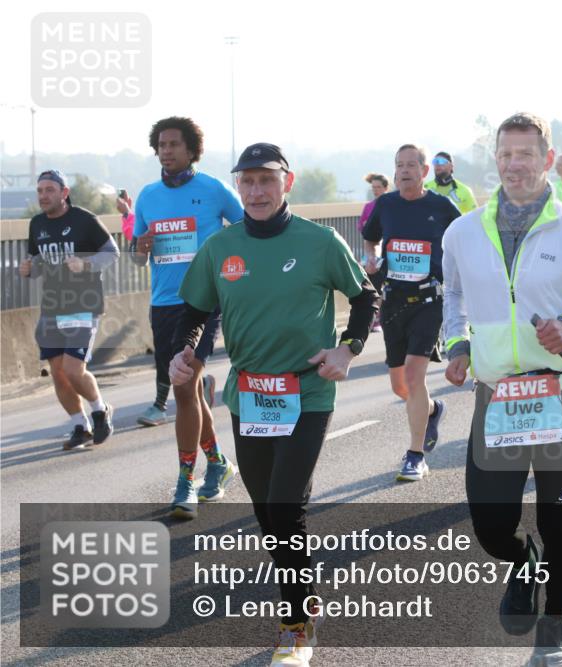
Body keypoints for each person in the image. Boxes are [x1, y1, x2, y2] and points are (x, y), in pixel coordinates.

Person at [169, 143, 377, 665]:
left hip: (307, 391)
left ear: (288, 182)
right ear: (238, 187)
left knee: (286, 504)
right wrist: (187, 352)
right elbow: (195, 310)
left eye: (267, 180)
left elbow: (366, 297)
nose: (257, 191)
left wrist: (347, 349)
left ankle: (296, 625)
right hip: (250, 395)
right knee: (267, 510)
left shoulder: (320, 241)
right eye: (248, 182)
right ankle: (305, 598)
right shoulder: (221, 246)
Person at [442, 112, 562, 666]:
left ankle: (556, 627)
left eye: (525, 154)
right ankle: (522, 562)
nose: (514, 164)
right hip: (497, 395)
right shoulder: (462, 231)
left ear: (546, 160)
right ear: (495, 160)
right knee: (492, 526)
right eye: (505, 154)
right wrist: (457, 345)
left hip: (561, 393)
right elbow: (451, 298)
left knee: (559, 522)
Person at [130, 116, 244, 519]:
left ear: (192, 149)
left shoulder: (213, 190)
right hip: (163, 303)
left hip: (203, 302)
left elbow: (247, 228)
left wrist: (228, 268)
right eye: (160, 144)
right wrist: (139, 246)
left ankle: (185, 480)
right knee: (189, 390)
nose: (166, 150)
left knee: (183, 386)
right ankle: (217, 462)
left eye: (174, 144)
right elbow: (138, 254)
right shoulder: (147, 195)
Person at [362, 144, 461, 481]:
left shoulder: (441, 206)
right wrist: (372, 257)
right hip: (393, 301)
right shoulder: (385, 204)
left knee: (415, 377)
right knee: (401, 387)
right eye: (398, 165)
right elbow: (370, 238)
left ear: (424, 171)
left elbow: (463, 239)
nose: (403, 171)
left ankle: (415, 455)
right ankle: (432, 410)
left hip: (429, 301)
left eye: (410, 165)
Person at [20, 169, 119, 450]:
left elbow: (112, 253)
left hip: (83, 304)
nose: (43, 196)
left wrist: (86, 264)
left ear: (64, 193)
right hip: (51, 307)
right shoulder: (37, 224)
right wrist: (28, 269)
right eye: (40, 191)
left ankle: (100, 410)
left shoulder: (84, 220)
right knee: (58, 372)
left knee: (74, 369)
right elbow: (36, 262)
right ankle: (80, 425)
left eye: (49, 190)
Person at [358, 172, 389, 334]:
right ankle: (374, 318)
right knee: (372, 287)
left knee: (386, 288)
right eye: (373, 188)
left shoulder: (392, 205)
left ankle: (382, 317)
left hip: (389, 253)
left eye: (378, 187)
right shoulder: (368, 207)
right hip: (371, 253)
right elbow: (365, 233)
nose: (375, 190)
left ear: (386, 188)